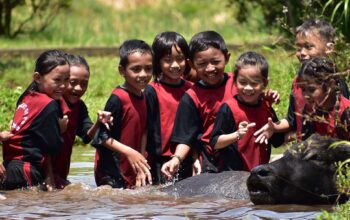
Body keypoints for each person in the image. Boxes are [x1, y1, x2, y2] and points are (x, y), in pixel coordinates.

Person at [161, 30, 237, 180]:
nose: (210, 68)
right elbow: (186, 138)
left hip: (245, 157)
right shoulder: (191, 97)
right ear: (191, 64)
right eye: (202, 64)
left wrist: (268, 97)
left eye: (215, 62)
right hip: (213, 164)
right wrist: (176, 158)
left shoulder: (239, 83)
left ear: (227, 58)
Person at [1, 50, 70, 190]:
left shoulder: (27, 96)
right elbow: (53, 146)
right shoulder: (48, 105)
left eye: (67, 79)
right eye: (57, 80)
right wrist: (60, 129)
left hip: (9, 166)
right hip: (26, 170)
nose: (63, 86)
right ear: (38, 77)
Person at [92, 39, 153, 188]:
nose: (143, 74)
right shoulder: (118, 99)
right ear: (122, 71)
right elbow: (101, 137)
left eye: (148, 68)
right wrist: (129, 152)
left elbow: (144, 131)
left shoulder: (144, 97)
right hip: (111, 172)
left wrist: (141, 163)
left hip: (132, 167)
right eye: (136, 69)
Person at [210, 52, 284, 171]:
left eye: (254, 83)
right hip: (231, 176)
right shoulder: (228, 108)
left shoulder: (266, 107)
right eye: (243, 82)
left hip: (258, 174)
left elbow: (278, 141)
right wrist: (237, 135)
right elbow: (215, 143)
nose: (248, 88)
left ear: (264, 83)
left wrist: (274, 129)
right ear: (234, 81)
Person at [52, 54, 112, 189]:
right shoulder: (51, 103)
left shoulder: (79, 106)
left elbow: (86, 137)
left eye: (84, 84)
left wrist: (98, 122)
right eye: (72, 83)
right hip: (43, 172)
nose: (79, 88)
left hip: (60, 174)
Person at [255, 57, 350, 141]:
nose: (306, 95)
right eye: (303, 90)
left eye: (311, 90)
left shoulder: (345, 113)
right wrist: (275, 127)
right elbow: (306, 144)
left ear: (330, 85)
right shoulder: (310, 109)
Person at [144, 31, 193, 184]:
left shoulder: (192, 90)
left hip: (185, 157)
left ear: (187, 60)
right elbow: (144, 130)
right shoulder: (151, 91)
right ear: (157, 62)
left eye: (180, 59)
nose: (175, 65)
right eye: (167, 60)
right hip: (159, 160)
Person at [289, 18, 349, 140]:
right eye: (299, 48)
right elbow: (292, 121)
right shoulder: (297, 81)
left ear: (329, 48)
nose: (302, 53)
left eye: (308, 47)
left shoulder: (334, 82)